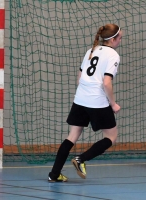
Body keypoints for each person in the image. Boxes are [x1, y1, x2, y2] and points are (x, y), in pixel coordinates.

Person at [48, 24, 123, 182]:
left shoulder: (91, 50)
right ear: (113, 39)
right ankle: (81, 159)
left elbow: (79, 78)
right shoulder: (113, 55)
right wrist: (113, 103)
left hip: (80, 98)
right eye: (120, 37)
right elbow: (106, 83)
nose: (120, 40)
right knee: (111, 136)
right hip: (97, 100)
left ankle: (54, 174)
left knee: (72, 135)